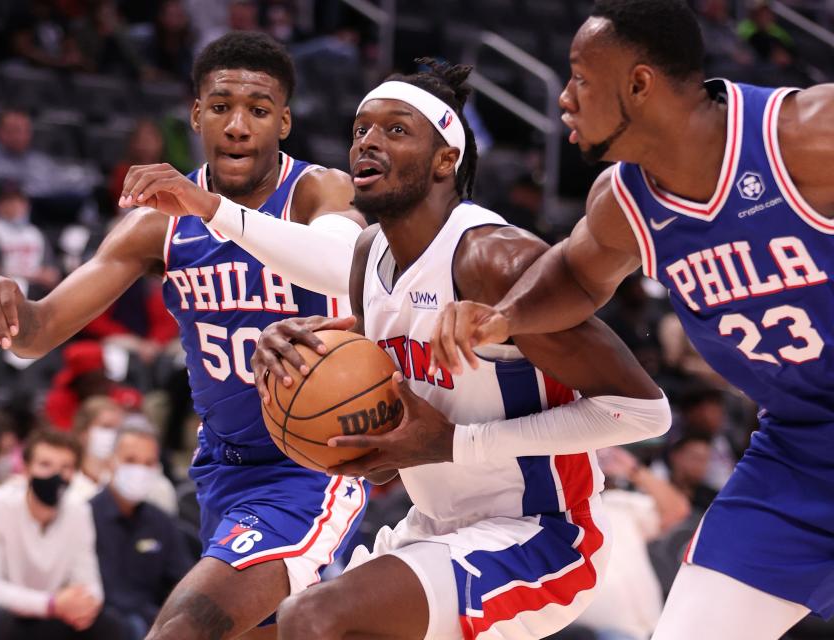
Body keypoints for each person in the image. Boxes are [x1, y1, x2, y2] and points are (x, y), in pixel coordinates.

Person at [427, 1, 834, 637]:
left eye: (581, 78)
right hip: (796, 454)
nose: (564, 98)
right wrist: (502, 318)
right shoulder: (626, 202)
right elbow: (577, 274)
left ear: (639, 85)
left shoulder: (804, 135)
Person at [250, 59, 670, 640]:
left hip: (543, 534)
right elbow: (400, 439)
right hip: (432, 526)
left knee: (315, 618)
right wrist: (292, 365)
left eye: (396, 130)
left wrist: (454, 444)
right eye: (361, 129)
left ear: (446, 159)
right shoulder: (367, 256)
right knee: (261, 627)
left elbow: (644, 413)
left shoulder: (492, 260)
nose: (368, 142)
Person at [0, 31, 368, 638]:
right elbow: (37, 333)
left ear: (283, 122)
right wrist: (4, 298)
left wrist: (214, 211)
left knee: (182, 628)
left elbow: (342, 259)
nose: (238, 125)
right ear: (196, 115)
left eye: (258, 110)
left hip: (310, 462)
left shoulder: (318, 191)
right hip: (221, 468)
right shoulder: (159, 224)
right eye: (221, 107)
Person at [0, 428, 120, 640]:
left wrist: (83, 605)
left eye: (65, 467)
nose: (56, 476)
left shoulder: (79, 512)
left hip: (49, 611)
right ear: (25, 469)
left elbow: (90, 582)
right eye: (45, 465)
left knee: (108, 624)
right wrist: (51, 604)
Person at [574, 446, 690, 640]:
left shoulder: (616, 501)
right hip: (597, 633)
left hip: (655, 629)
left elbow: (677, 510)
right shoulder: (548, 515)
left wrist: (633, 469)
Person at [90, 425, 192, 640]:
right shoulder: (85, 517)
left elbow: (184, 582)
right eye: (130, 460)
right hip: (100, 625)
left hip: (154, 624)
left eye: (149, 463)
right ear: (111, 462)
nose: (140, 471)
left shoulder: (162, 522)